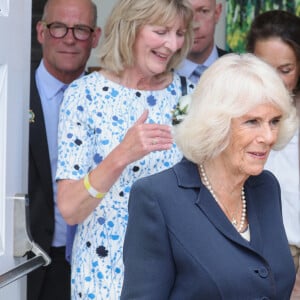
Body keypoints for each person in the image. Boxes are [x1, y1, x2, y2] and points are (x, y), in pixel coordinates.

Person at [121, 53, 298, 299]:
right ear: (216, 124)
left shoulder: (266, 187)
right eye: (253, 122)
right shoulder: (158, 198)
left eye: (274, 121)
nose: (268, 136)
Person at [55, 0, 194, 298]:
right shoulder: (85, 95)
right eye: (161, 31)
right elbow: (69, 208)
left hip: (172, 277)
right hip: (100, 278)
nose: (172, 44)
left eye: (180, 33)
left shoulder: (186, 98)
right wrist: (122, 154)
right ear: (131, 28)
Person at [28, 0, 101, 299]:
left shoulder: (108, 100)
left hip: (94, 261)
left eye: (81, 30)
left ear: (95, 37)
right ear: (41, 32)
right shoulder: (11, 94)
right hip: (27, 261)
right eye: (58, 28)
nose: (69, 38)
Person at [246, 10, 300, 274]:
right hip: (255, 251)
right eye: (264, 69)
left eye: (286, 70)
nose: (274, 81)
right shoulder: (233, 112)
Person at [176, 0, 228, 83]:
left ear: (217, 13)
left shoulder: (241, 71)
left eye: (203, 11)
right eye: (185, 11)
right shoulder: (156, 74)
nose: (194, 25)